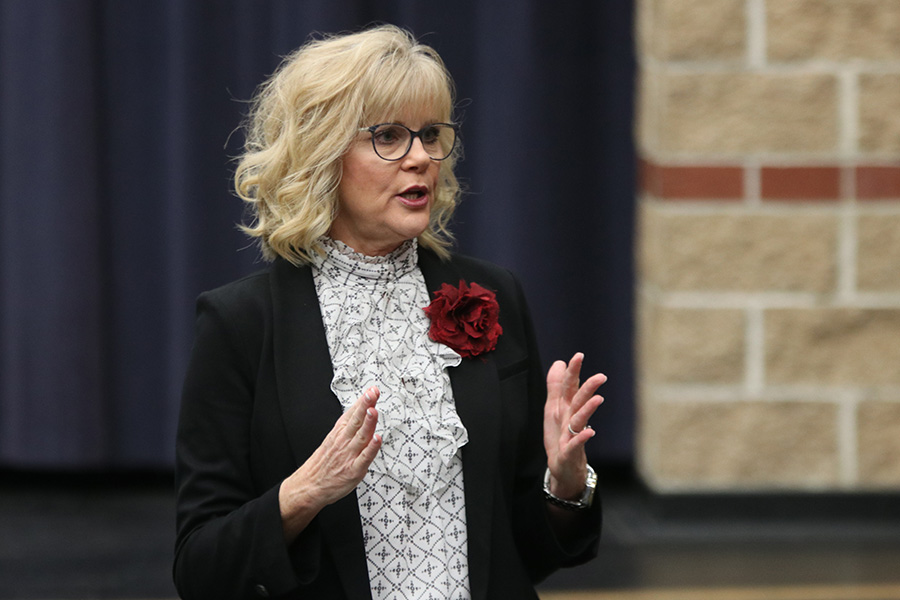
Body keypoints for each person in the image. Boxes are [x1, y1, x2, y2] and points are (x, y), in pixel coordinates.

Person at [174, 24, 606, 600]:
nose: (421, 158)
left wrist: (565, 484)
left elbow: (527, 552)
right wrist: (302, 493)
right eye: (388, 137)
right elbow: (201, 567)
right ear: (322, 153)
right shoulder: (241, 325)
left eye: (430, 134)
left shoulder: (492, 295)